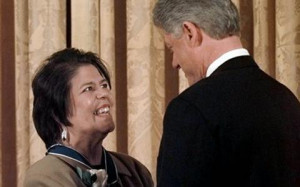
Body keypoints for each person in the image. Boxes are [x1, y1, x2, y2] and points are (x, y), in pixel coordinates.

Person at [153, 0, 300, 186]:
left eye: (171, 48)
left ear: (190, 32)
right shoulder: (286, 99)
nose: (174, 63)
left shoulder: (190, 108)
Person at [24, 48, 154, 187]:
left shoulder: (134, 171)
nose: (103, 93)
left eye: (104, 85)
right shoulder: (43, 177)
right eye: (89, 89)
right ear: (58, 112)